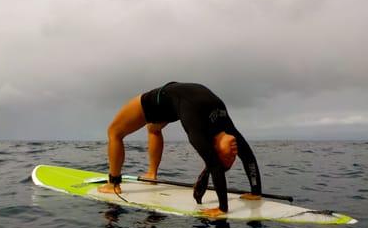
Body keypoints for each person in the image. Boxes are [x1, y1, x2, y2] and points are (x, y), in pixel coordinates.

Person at [98, 82, 262, 217]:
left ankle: (151, 174)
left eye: (231, 155)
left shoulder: (223, 129)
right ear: (215, 148)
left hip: (177, 105)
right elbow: (214, 165)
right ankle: (114, 184)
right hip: (157, 100)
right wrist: (223, 208)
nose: (235, 150)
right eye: (232, 154)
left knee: (152, 129)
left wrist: (255, 192)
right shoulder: (198, 129)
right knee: (115, 132)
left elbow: (245, 156)